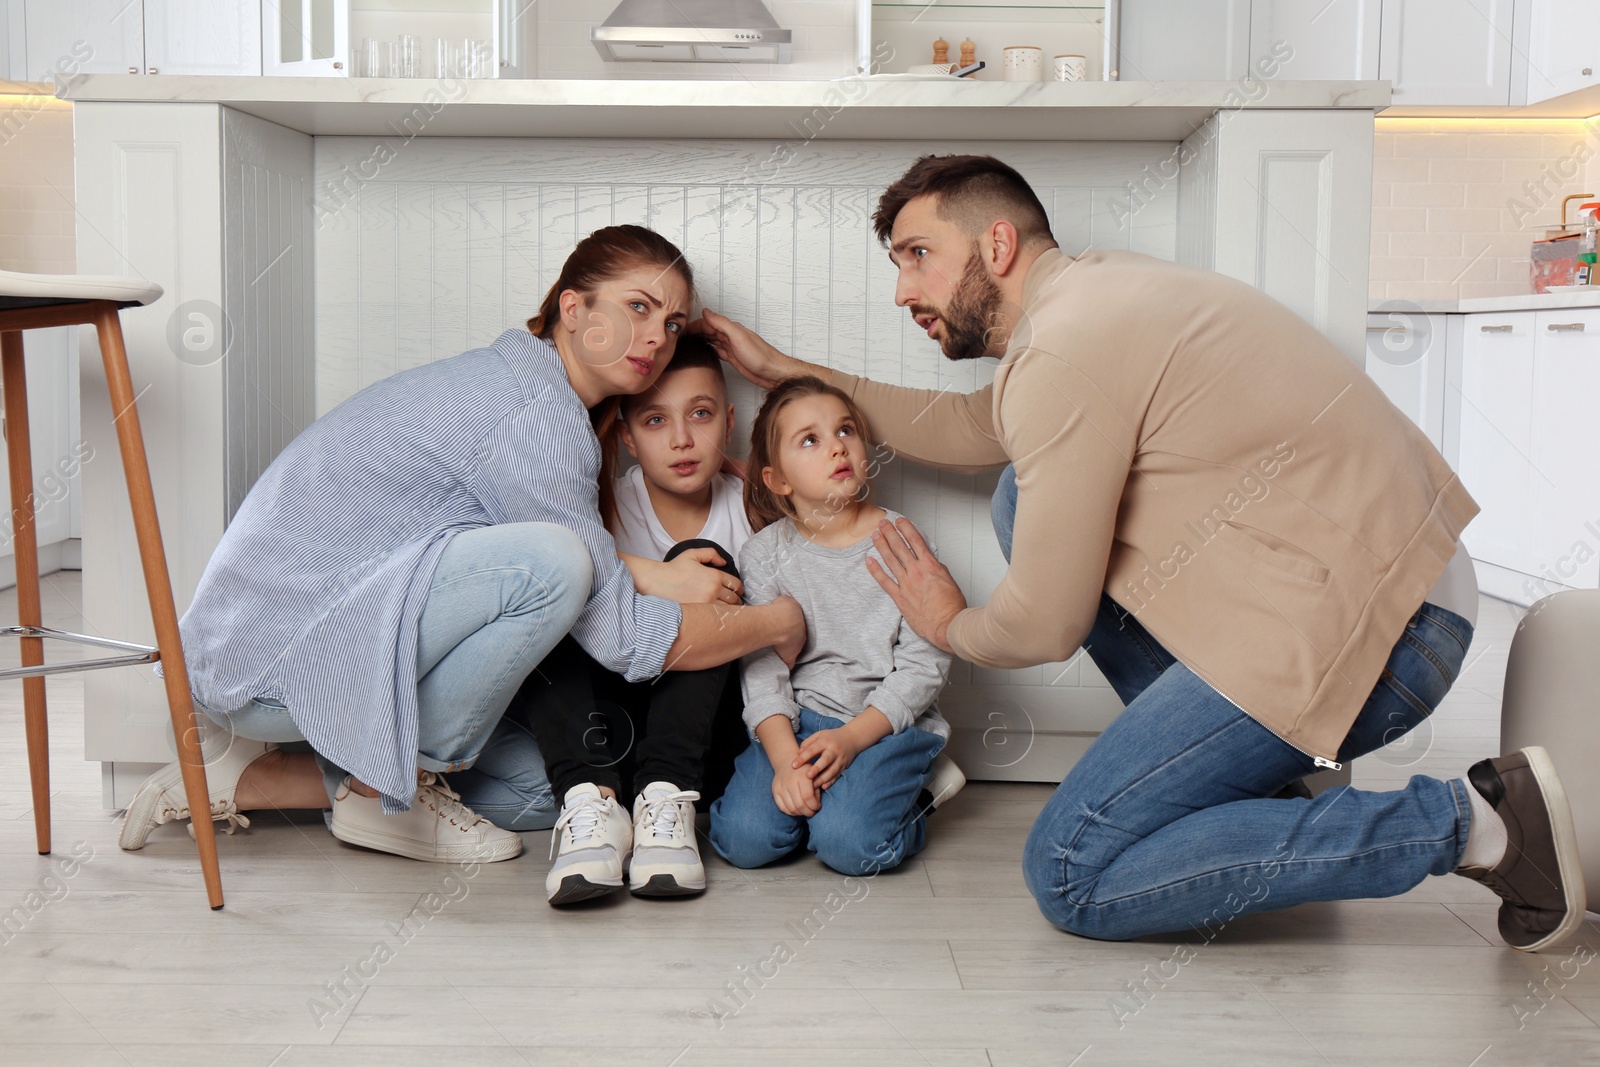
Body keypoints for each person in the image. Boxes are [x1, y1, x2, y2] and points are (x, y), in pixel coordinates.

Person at [696, 154, 1586, 951]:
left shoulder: (1065, 350)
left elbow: (1047, 623)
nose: (902, 290)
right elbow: (972, 425)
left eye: (917, 254)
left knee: (1071, 871)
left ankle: (1476, 822)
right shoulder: (1096, 295)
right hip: (1402, 593)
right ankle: (1265, 805)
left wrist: (949, 622)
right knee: (1018, 492)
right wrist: (786, 372)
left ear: (996, 244)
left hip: (1387, 637)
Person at [118, 225, 805, 864]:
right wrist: (775, 619)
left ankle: (256, 780)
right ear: (573, 308)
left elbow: (493, 545)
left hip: (300, 640)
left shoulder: (528, 387)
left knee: (548, 790)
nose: (656, 336)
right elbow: (622, 635)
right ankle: (381, 789)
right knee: (557, 566)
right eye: (638, 307)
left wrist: (644, 573)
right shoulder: (535, 419)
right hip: (270, 662)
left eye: (673, 321)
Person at [515, 335, 756, 904]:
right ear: (625, 436)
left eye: (700, 414)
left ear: (728, 421)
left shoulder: (755, 507)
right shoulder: (600, 505)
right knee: (558, 582)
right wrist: (644, 574)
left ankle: (664, 801)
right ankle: (590, 805)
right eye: (654, 421)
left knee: (701, 559)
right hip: (604, 735)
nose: (680, 439)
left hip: (702, 751)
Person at [707, 376, 965, 877]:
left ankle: (919, 797)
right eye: (810, 439)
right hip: (798, 724)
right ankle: (830, 804)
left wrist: (850, 740)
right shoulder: (764, 555)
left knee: (851, 848)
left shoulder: (901, 542)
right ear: (778, 479)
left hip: (882, 724)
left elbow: (925, 663)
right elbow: (762, 671)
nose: (837, 447)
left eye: (845, 430)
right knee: (745, 841)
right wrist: (785, 761)